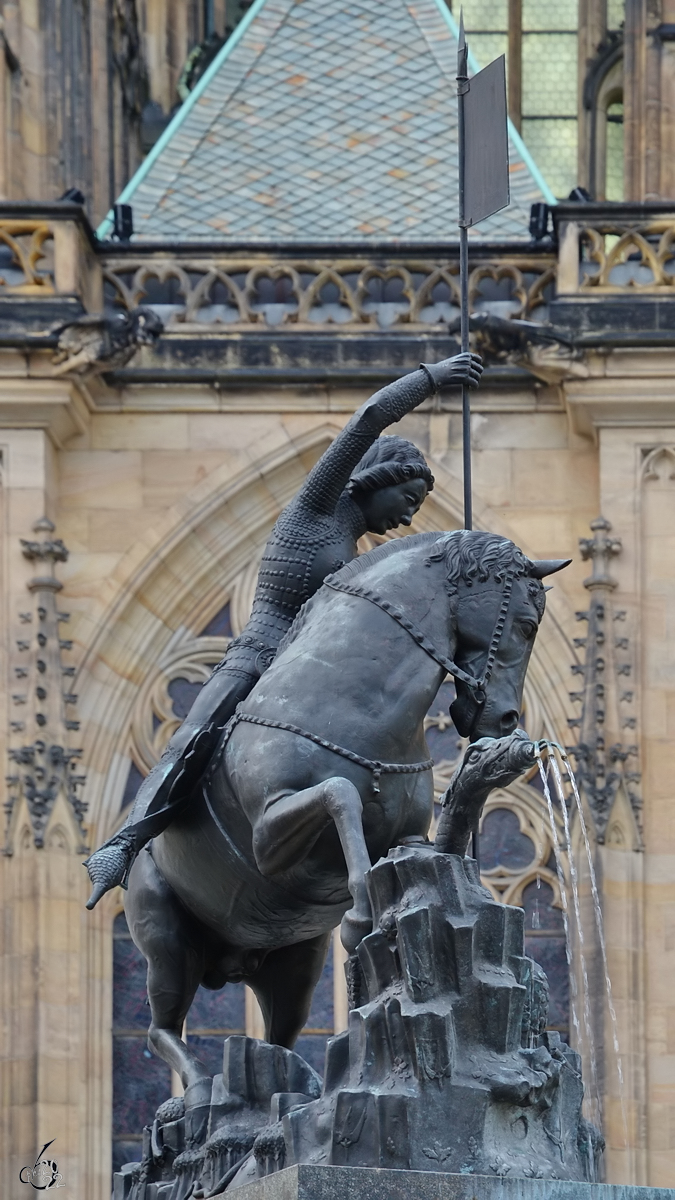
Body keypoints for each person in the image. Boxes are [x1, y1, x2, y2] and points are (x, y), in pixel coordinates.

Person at [84, 352, 483, 906]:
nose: (409, 518)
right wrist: (432, 379)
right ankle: (125, 845)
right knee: (193, 737)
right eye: (408, 500)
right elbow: (369, 418)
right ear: (379, 480)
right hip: (260, 655)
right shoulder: (316, 510)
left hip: (309, 667)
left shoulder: (362, 557)